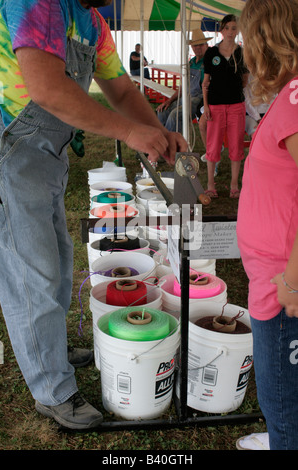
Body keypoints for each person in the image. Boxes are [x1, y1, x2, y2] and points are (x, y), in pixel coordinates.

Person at [0, 0, 187, 430]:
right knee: (32, 274)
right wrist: (129, 132)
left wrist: (156, 133)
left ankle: (50, 348)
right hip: (10, 149)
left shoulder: (93, 22)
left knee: (59, 263)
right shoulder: (37, 2)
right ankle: (52, 390)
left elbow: (120, 89)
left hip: (47, 153)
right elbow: (46, 89)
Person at [236, 0, 298, 450]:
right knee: (280, 392)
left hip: (284, 285)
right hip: (275, 275)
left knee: (282, 398)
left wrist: (293, 281)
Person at [202, 15, 249, 198]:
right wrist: (206, 106)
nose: (230, 32)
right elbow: (205, 82)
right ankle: (211, 186)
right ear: (221, 31)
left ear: (237, 31)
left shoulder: (242, 53)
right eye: (227, 28)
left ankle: (234, 186)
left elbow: (244, 80)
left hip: (236, 106)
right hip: (215, 106)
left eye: (234, 28)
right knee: (212, 146)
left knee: (236, 145)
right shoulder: (211, 53)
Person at [156, 29, 212, 133]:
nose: (198, 47)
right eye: (195, 45)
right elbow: (182, 88)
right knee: (162, 111)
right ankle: (161, 140)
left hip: (199, 100)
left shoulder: (210, 62)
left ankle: (172, 145)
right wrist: (169, 101)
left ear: (206, 45)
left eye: (201, 44)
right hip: (185, 97)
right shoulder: (191, 63)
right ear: (192, 47)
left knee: (175, 115)